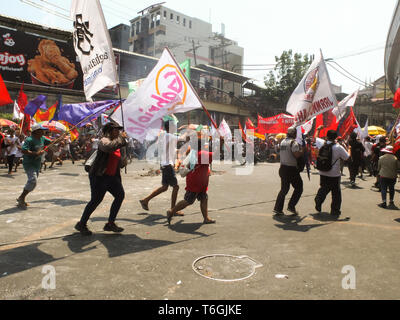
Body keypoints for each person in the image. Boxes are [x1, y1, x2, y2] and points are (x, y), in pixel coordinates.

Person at [75, 122, 128, 236]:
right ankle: (81, 224)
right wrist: (122, 140)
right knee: (96, 200)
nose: (118, 132)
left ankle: (110, 223)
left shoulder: (119, 144)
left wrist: (123, 161)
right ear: (109, 131)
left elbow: (120, 160)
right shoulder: (104, 140)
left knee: (120, 196)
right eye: (115, 130)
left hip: (113, 177)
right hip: (99, 176)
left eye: (119, 130)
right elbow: (109, 148)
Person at [167, 137, 216, 225]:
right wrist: (221, 142)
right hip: (196, 183)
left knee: (204, 198)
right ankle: (171, 211)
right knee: (188, 201)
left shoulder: (194, 153)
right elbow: (215, 155)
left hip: (198, 181)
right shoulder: (202, 153)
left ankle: (206, 218)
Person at [139, 120, 183, 216]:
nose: (175, 128)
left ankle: (145, 200)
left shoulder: (166, 136)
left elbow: (172, 149)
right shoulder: (169, 136)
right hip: (167, 165)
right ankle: (173, 209)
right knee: (175, 187)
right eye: (174, 126)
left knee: (165, 187)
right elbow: (183, 138)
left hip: (165, 164)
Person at [315, 130, 350, 218]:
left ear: (327, 136)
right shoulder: (338, 147)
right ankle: (335, 210)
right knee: (336, 193)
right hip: (334, 173)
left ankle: (319, 198)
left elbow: (315, 138)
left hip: (322, 171)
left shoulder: (322, 143)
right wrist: (349, 149)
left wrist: (318, 129)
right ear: (335, 138)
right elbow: (347, 158)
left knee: (324, 187)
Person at [17, 124, 51, 208]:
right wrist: (35, 153)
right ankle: (21, 198)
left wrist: (60, 139)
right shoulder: (29, 139)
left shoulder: (42, 138)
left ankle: (21, 198)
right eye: (41, 130)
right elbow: (24, 150)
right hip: (29, 163)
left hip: (37, 163)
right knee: (33, 180)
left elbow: (51, 142)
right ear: (36, 131)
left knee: (33, 183)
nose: (43, 132)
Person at [273, 127, 305, 216]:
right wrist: (302, 151)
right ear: (294, 134)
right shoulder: (293, 143)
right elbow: (296, 155)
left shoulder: (283, 142)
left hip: (283, 168)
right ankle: (291, 206)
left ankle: (278, 208)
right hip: (291, 169)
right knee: (299, 188)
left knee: (284, 189)